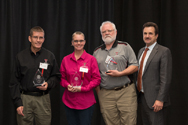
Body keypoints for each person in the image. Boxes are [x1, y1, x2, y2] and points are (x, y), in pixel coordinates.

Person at [9, 26, 61, 125]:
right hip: (25, 99)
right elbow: (14, 82)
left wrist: (48, 84)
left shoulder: (49, 56)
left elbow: (56, 76)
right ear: (30, 38)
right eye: (35, 37)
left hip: (43, 99)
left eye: (41, 37)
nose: (38, 40)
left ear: (44, 39)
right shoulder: (20, 56)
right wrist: (18, 103)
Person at [93, 21, 138, 125]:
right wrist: (100, 94)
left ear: (116, 32)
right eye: (104, 31)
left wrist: (120, 73)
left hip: (125, 92)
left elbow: (135, 66)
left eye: (109, 30)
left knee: (129, 122)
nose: (107, 33)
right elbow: (95, 75)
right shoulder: (96, 52)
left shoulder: (125, 46)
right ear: (101, 34)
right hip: (106, 94)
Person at [60, 31, 101, 125]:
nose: (78, 43)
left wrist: (83, 88)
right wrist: (67, 85)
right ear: (72, 42)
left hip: (86, 102)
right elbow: (61, 78)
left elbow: (97, 79)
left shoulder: (91, 59)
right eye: (76, 41)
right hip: (69, 101)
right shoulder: (66, 60)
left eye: (81, 41)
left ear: (85, 42)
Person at [137, 22, 172, 125]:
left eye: (150, 33)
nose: (147, 36)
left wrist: (160, 99)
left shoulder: (164, 51)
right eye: (145, 33)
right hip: (142, 98)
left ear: (156, 36)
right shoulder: (141, 51)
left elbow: (165, 78)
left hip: (155, 100)